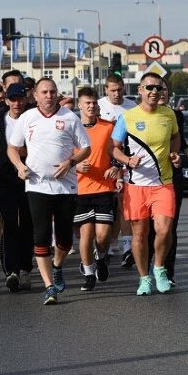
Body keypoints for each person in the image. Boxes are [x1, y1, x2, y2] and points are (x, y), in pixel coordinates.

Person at [7, 78, 91, 305]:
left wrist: (70, 163)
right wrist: (20, 167)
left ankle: (57, 266)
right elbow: (12, 148)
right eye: (44, 92)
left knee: (65, 240)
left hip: (65, 186)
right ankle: (49, 287)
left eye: (52, 92)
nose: (49, 95)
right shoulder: (27, 118)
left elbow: (86, 148)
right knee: (41, 235)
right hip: (37, 185)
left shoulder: (69, 117)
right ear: (35, 95)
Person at [110, 72, 180, 296]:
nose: (154, 92)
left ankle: (159, 267)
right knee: (140, 235)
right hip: (136, 185)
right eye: (149, 87)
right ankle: (143, 278)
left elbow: (175, 137)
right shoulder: (128, 117)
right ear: (140, 90)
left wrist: (175, 153)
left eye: (158, 88)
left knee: (165, 229)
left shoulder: (168, 115)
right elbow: (113, 148)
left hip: (163, 183)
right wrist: (127, 160)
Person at [148, 81, 188, 286]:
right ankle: (145, 270)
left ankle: (167, 273)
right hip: (145, 179)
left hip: (172, 177)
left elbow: (180, 141)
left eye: (162, 89)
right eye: (154, 89)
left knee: (169, 227)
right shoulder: (136, 116)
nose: (159, 92)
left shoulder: (175, 116)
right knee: (147, 228)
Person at [0, 82, 34, 292]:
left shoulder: (33, 117)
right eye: (13, 99)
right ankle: (11, 271)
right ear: (6, 100)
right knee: (10, 223)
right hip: (4, 176)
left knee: (28, 224)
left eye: (21, 98)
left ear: (26, 99)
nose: (17, 103)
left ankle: (25, 269)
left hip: (31, 176)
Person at [74, 87, 121, 291]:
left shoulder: (108, 127)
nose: (91, 106)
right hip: (80, 189)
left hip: (104, 187)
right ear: (80, 105)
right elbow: (59, 155)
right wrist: (75, 165)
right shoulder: (71, 127)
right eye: (87, 103)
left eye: (94, 103)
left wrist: (115, 167)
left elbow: (118, 152)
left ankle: (101, 257)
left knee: (102, 236)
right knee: (86, 235)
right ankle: (89, 272)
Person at [98, 73, 137, 268]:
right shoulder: (98, 106)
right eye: (112, 90)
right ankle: (105, 246)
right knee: (107, 204)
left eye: (119, 90)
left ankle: (127, 247)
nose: (116, 94)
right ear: (106, 90)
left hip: (124, 160)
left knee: (123, 202)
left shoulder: (132, 107)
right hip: (102, 162)